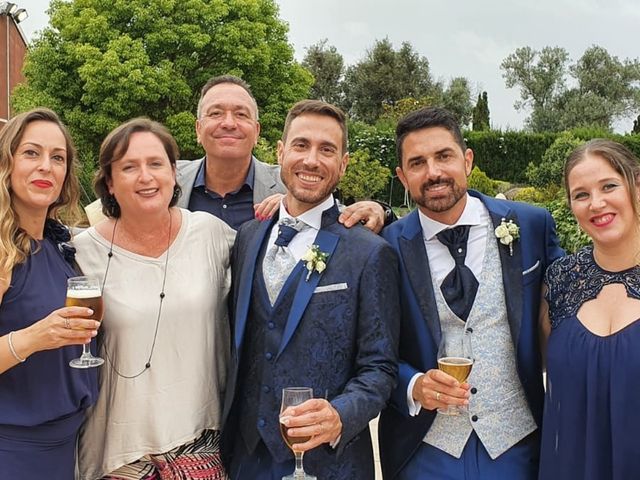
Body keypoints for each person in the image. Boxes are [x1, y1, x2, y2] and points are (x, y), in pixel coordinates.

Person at [378, 107, 563, 480]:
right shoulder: (384, 246)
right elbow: (371, 348)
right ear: (402, 176)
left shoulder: (531, 224)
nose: (433, 172)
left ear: (467, 159)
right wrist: (413, 386)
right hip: (424, 448)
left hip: (517, 444)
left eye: (444, 156)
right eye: (417, 163)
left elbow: (570, 306)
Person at [222, 99, 400, 480]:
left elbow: (380, 367)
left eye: (327, 150)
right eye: (301, 145)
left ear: (344, 163)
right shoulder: (248, 237)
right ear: (280, 151)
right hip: (246, 457)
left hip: (330, 464)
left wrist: (340, 415)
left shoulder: (370, 251)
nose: (312, 160)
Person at [74, 118, 234, 479]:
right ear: (110, 183)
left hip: (203, 445)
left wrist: (372, 213)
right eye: (129, 167)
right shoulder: (80, 253)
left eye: (156, 164)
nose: (145, 176)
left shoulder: (210, 234)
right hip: (119, 455)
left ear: (174, 173)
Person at [87, 75, 390, 232]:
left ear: (257, 132)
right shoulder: (163, 177)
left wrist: (380, 210)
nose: (229, 123)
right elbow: (106, 207)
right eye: (216, 113)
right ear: (197, 128)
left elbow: (340, 218)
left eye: (241, 115)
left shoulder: (292, 183)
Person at [0, 108, 99, 478]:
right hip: (13, 451)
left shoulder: (60, 244)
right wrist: (33, 338)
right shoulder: (3, 250)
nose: (46, 166)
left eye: (57, 158)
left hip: (65, 447)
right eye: (31, 153)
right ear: (7, 163)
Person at [539, 139, 640, 479]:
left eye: (609, 186)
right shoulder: (561, 280)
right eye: (581, 194)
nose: (596, 204)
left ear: (636, 186)